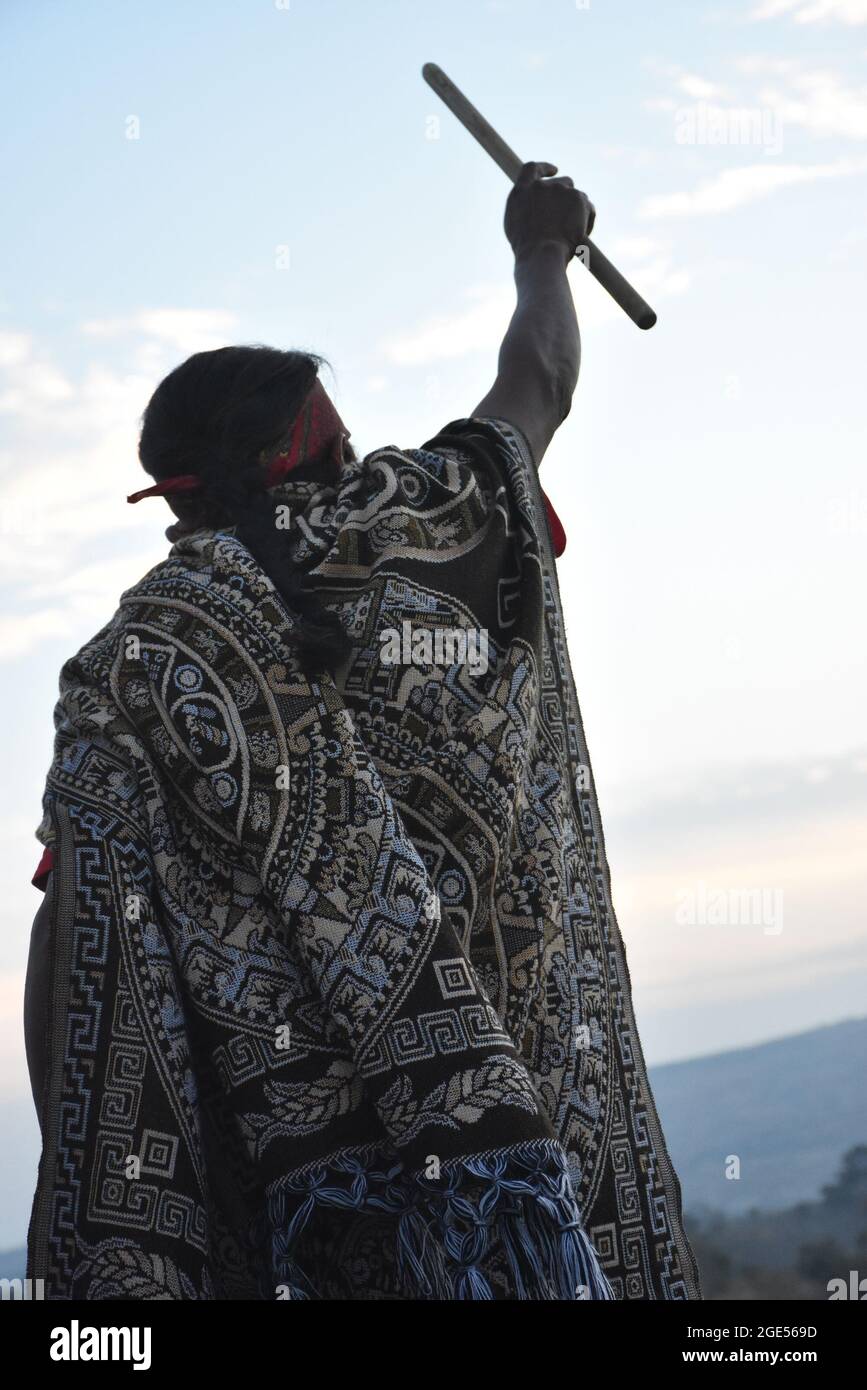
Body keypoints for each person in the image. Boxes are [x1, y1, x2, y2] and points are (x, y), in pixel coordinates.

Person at [25, 164, 700, 1300]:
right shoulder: (430, 521)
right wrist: (544, 246)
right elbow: (538, 378)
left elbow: (71, 956)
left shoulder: (136, 663)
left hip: (307, 1222)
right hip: (528, 1176)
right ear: (325, 442)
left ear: (178, 498)